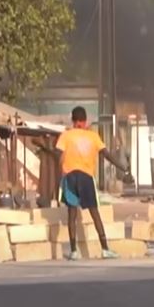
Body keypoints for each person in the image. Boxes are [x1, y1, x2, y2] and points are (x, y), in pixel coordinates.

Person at [55, 106, 132, 260]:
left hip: (70, 177)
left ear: (73, 120)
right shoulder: (93, 136)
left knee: (72, 214)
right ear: (85, 121)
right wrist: (122, 167)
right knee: (94, 212)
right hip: (86, 177)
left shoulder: (66, 136)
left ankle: (73, 251)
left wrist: (59, 169)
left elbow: (57, 154)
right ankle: (105, 249)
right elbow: (107, 155)